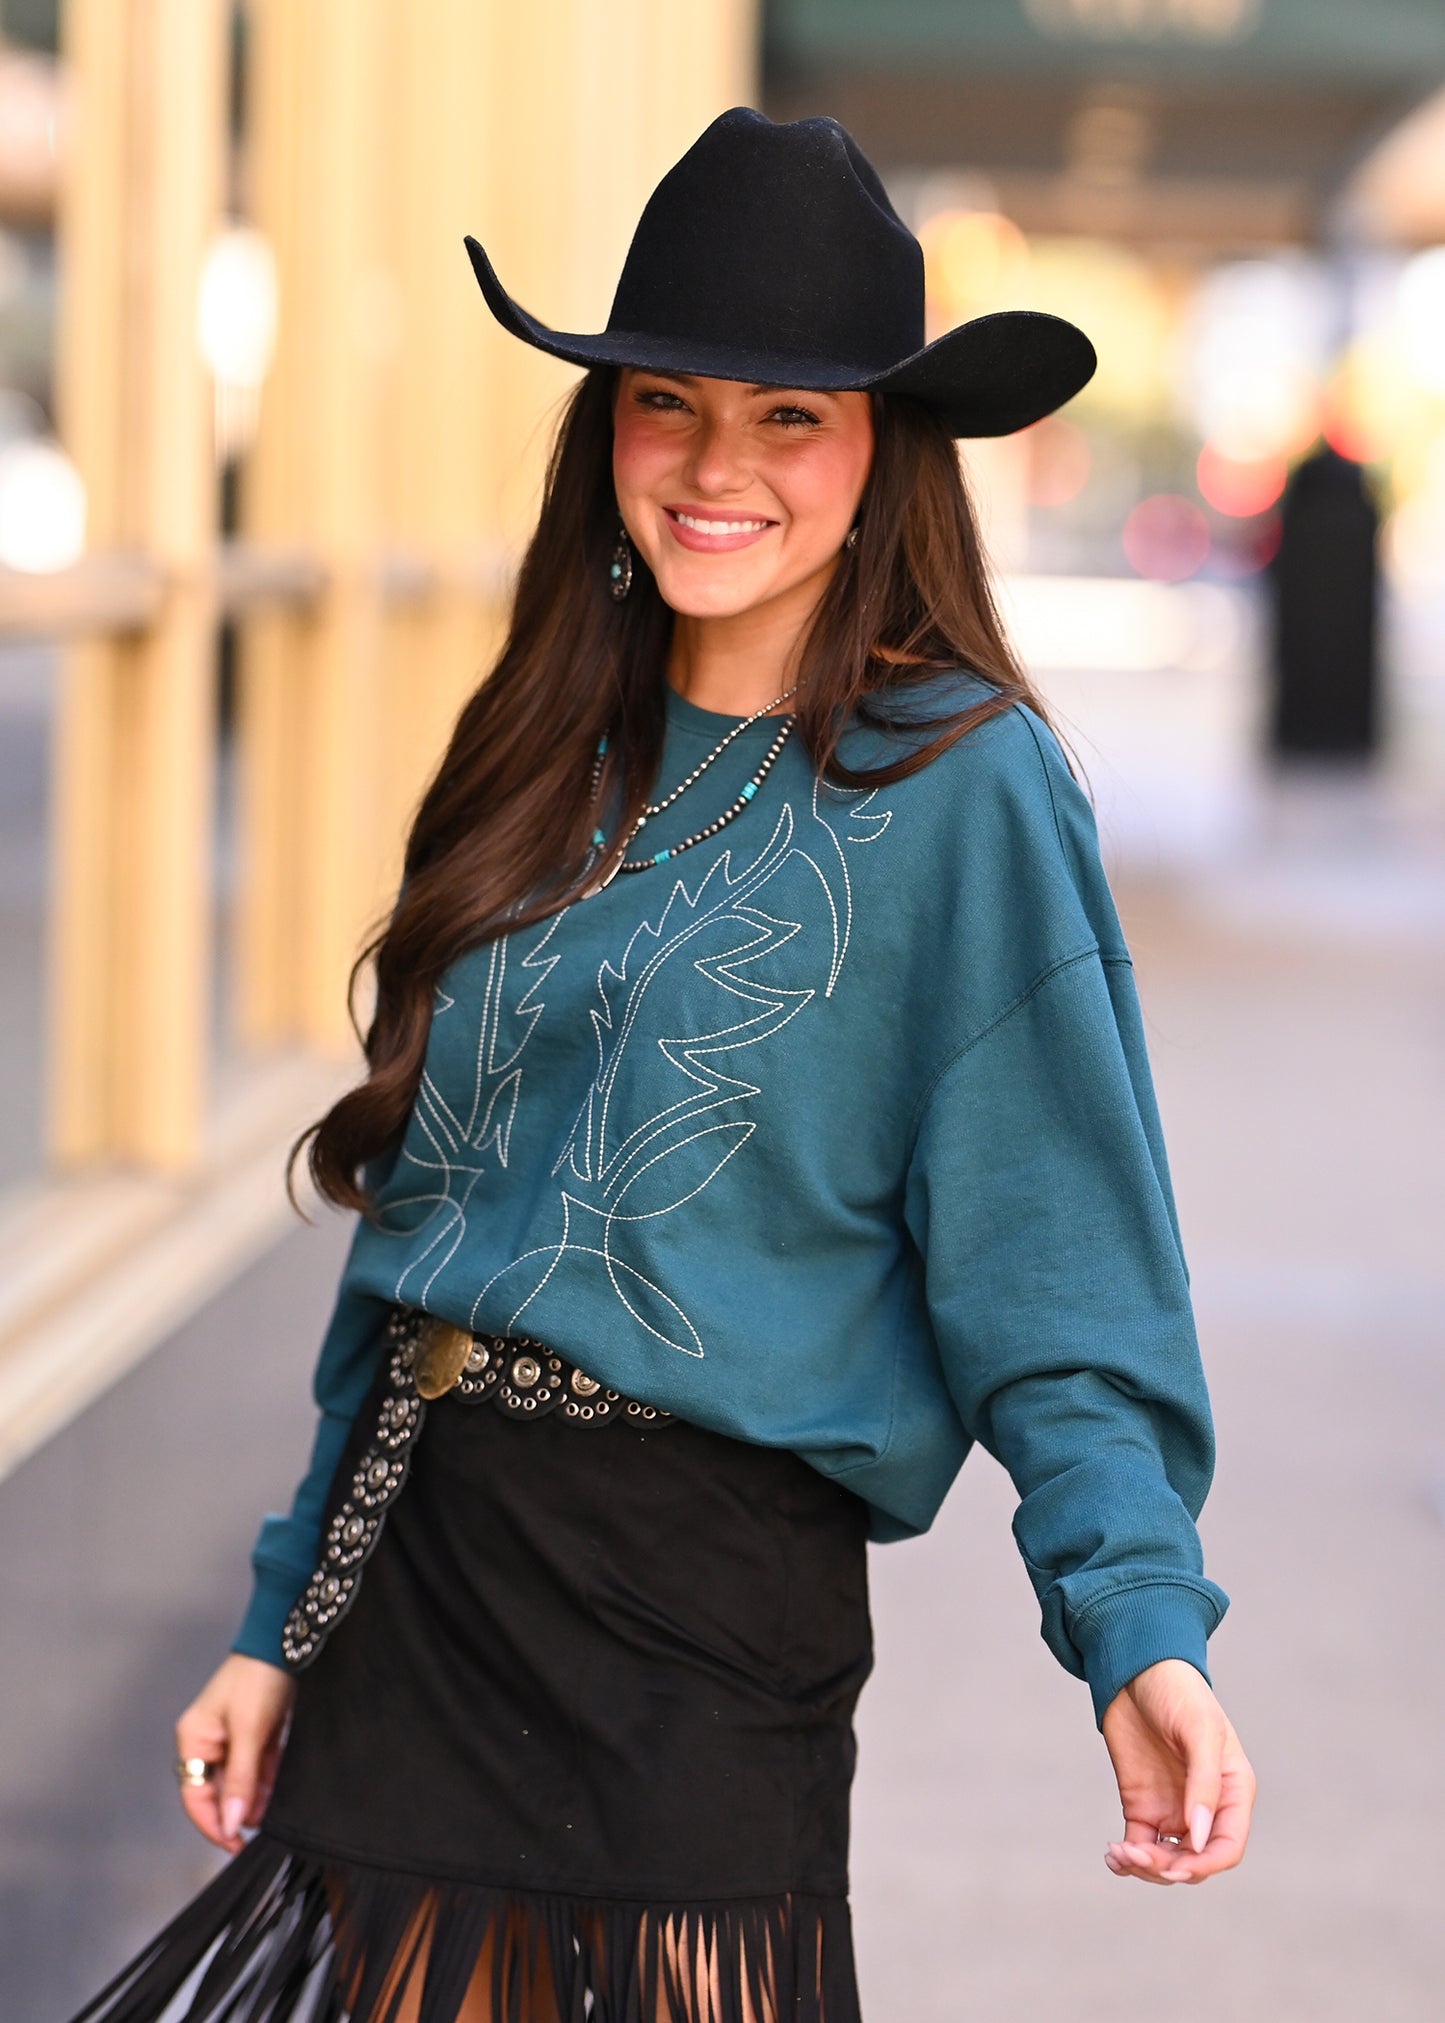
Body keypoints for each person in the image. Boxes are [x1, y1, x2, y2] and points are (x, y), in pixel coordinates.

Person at [72, 107, 1254, 2023]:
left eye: (790, 414)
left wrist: (1137, 1631)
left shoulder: (963, 786)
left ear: (884, 454)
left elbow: (1061, 1276)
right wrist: (281, 1620)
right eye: (666, 402)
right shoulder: (540, 746)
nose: (716, 466)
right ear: (599, 425)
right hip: (430, 1578)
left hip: (708, 1624)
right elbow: (418, 1250)